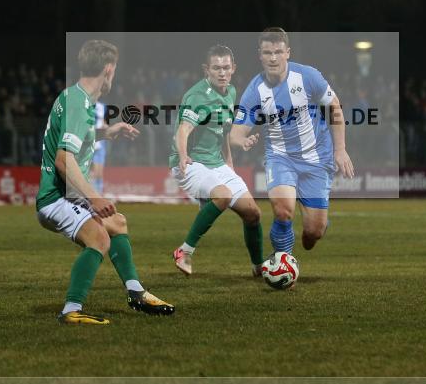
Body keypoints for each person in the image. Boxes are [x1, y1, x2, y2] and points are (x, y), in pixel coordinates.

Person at [36, 39, 174, 325]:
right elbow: (63, 159)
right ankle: (71, 310)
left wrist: (105, 132)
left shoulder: (78, 98)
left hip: (65, 196)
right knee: (99, 238)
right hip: (56, 198)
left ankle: (136, 292)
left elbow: (73, 138)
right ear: (109, 69)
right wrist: (93, 198)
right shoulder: (78, 102)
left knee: (117, 223)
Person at [230, 27, 355, 255]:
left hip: (317, 157)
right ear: (260, 54)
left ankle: (316, 226)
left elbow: (334, 107)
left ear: (288, 52)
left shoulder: (308, 76)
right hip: (280, 157)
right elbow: (236, 132)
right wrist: (241, 141)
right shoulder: (255, 90)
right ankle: (282, 261)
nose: (273, 58)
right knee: (283, 210)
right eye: (267, 53)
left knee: (313, 232)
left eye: (278, 51)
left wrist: (341, 149)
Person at [170, 45, 264, 276]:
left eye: (225, 67)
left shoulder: (230, 92)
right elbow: (182, 131)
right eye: (216, 68)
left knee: (253, 214)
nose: (222, 72)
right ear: (206, 70)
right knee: (223, 195)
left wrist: (231, 160)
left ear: (233, 68)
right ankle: (184, 251)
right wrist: (183, 156)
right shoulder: (198, 96)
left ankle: (258, 267)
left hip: (217, 163)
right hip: (191, 163)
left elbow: (223, 132)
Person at [90, 101, 108, 194]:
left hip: (100, 143)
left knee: (99, 174)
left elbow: (105, 122)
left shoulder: (102, 106)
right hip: (88, 142)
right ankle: (91, 197)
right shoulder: (84, 104)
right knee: (91, 173)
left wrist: (105, 127)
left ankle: (99, 196)